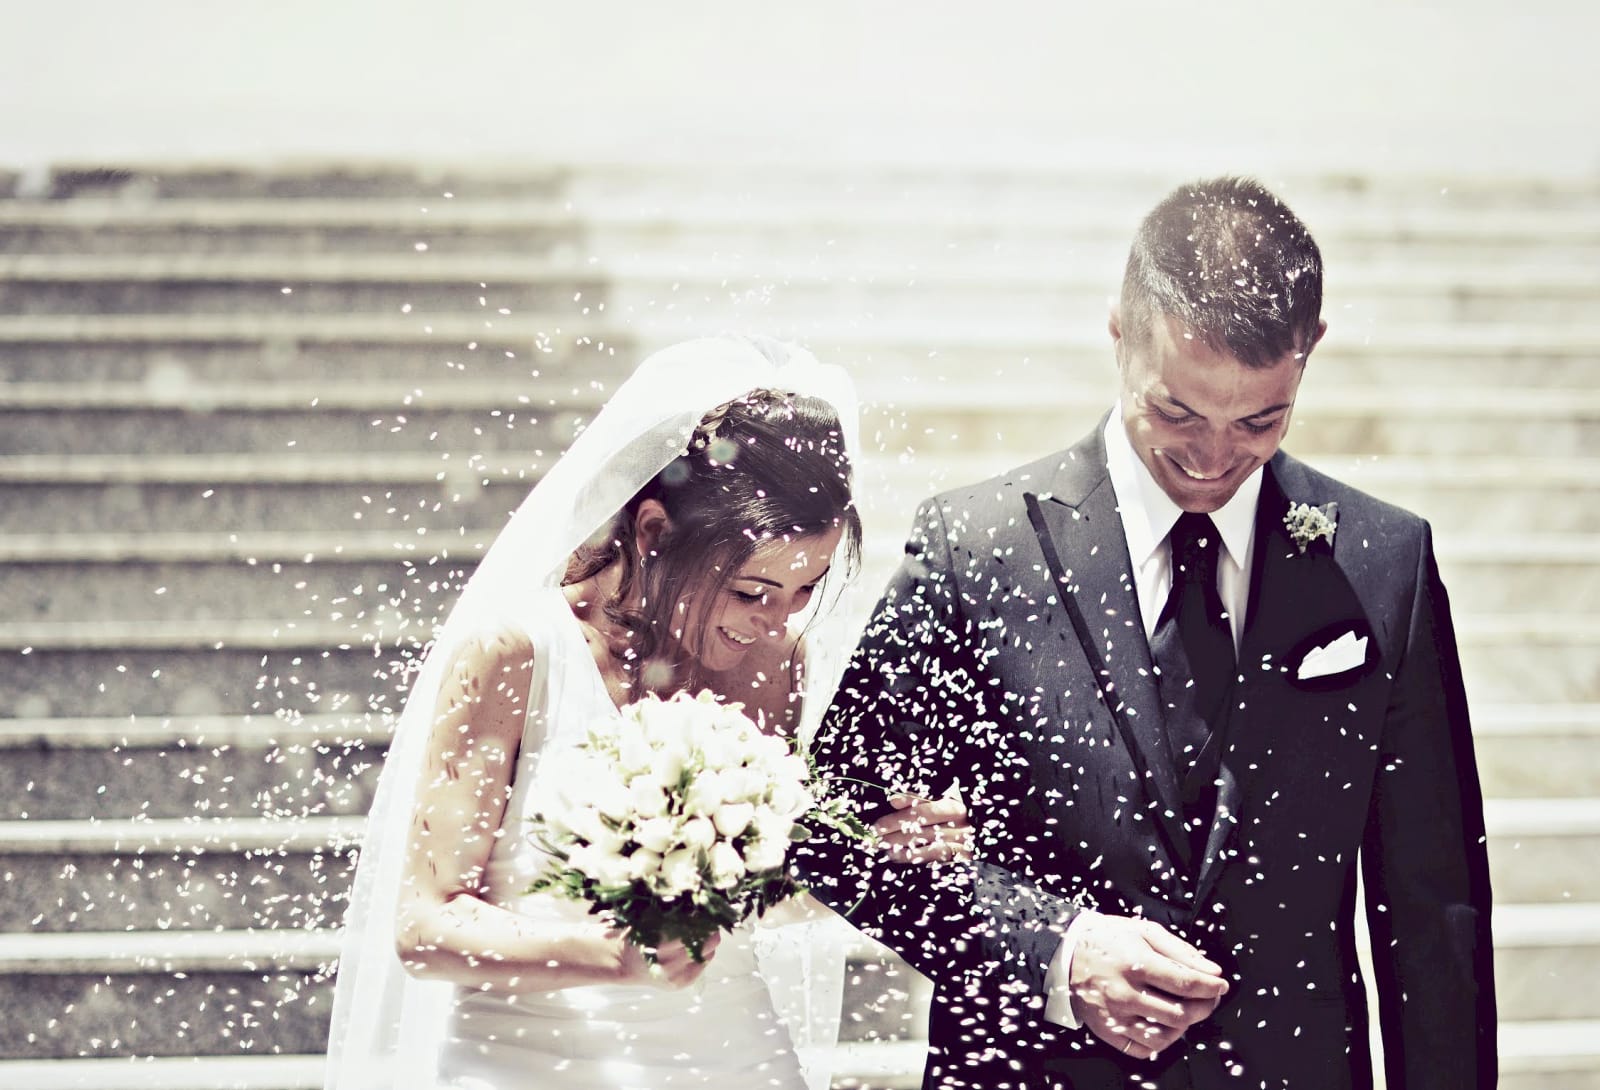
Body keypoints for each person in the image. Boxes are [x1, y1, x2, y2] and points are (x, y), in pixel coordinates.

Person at [803, 176, 1496, 1089]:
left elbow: (1432, 906)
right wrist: (1057, 949)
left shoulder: (1385, 564)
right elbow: (829, 827)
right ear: (1120, 333)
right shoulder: (977, 550)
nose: (1212, 458)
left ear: (1310, 352)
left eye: (1260, 419)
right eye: (1177, 411)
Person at [323, 336, 969, 1090]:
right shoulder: (514, 657)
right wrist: (611, 953)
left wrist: (868, 858)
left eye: (804, 591)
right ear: (655, 531)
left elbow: (754, 896)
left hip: (735, 1058)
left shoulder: (773, 665)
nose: (775, 621)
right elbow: (426, 927)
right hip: (529, 1063)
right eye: (752, 591)